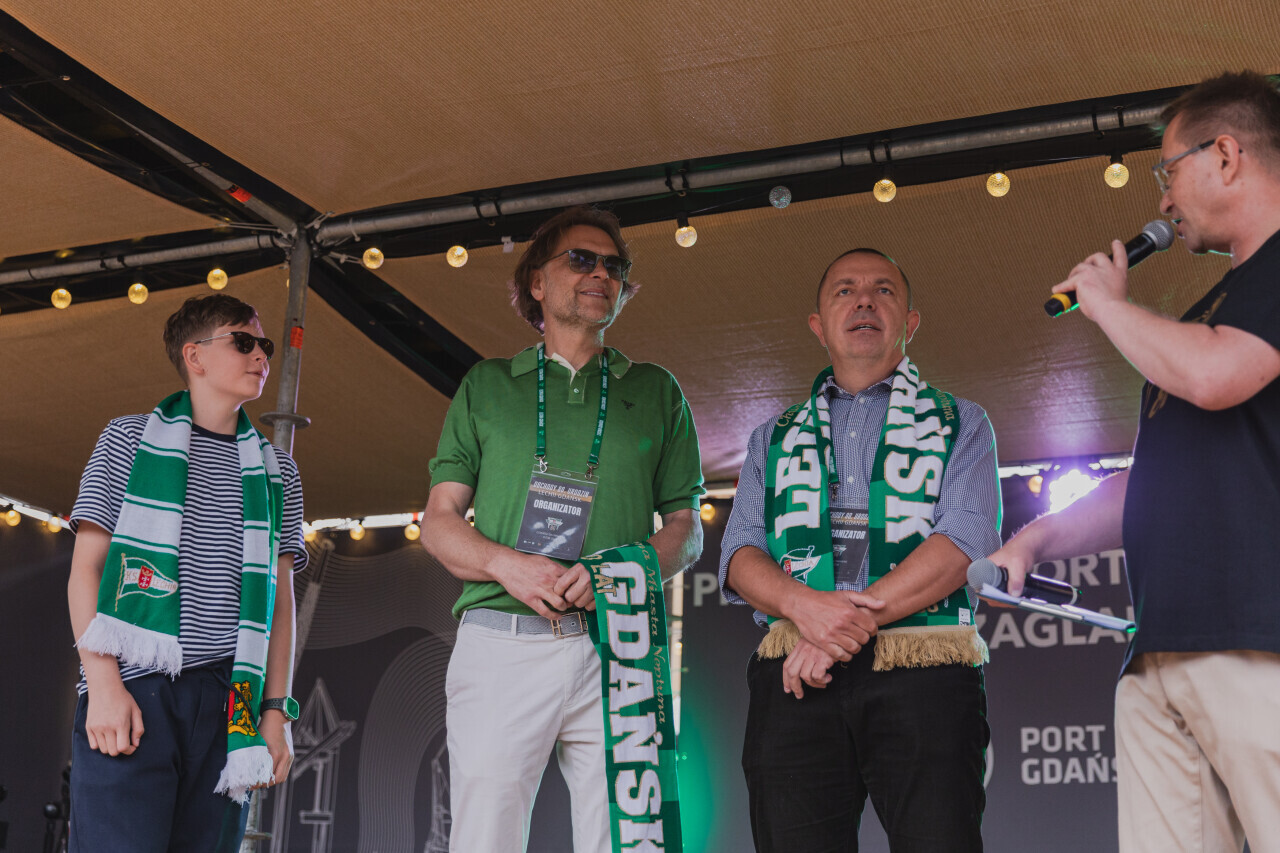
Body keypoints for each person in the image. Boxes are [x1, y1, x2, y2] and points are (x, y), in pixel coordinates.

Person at [988, 71, 1280, 852]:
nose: (1163, 198)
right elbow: (1153, 476)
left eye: (1167, 170)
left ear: (1226, 155)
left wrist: (1110, 306)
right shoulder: (1206, 315)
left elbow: (1218, 375)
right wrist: (1036, 539)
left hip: (1261, 640)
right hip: (1160, 650)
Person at [422, 206, 704, 853]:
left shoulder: (657, 389)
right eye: (581, 259)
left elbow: (686, 530)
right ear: (537, 282)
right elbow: (438, 522)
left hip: (620, 643)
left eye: (614, 265)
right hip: (502, 642)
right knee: (485, 840)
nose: (601, 272)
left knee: (632, 840)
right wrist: (508, 565)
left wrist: (617, 573)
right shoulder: (487, 384)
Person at [719, 248, 1002, 852]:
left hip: (923, 666)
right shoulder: (772, 436)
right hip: (796, 676)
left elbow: (965, 541)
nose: (864, 301)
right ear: (818, 325)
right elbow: (740, 553)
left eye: (883, 290)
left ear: (911, 321)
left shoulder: (962, 420)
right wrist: (806, 610)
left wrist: (835, 628)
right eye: (844, 291)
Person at [66, 293, 306, 852]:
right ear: (194, 356)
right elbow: (86, 571)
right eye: (242, 341)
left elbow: (281, 605)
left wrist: (276, 713)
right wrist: (103, 685)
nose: (260, 355)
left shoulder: (279, 471)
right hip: (135, 686)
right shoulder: (127, 439)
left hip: (229, 700)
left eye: (265, 345)